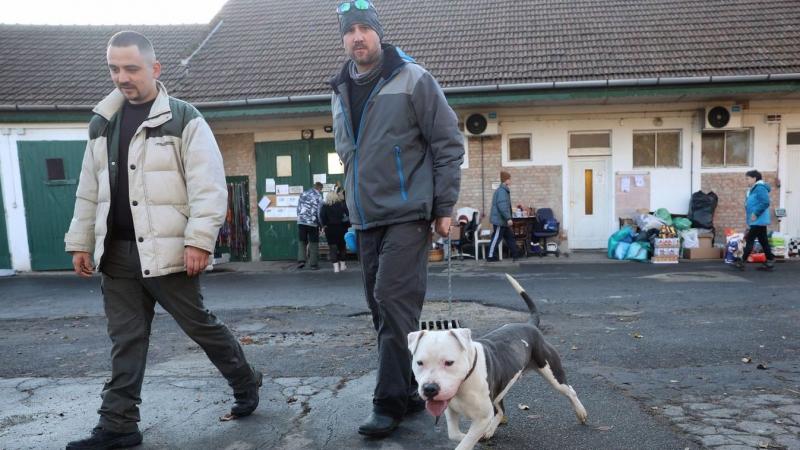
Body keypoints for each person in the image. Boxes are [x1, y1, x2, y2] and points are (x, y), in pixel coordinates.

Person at [63, 31, 262, 450]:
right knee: (126, 340)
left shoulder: (184, 119)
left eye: (131, 68)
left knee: (200, 327)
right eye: (114, 69)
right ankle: (118, 423)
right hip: (115, 254)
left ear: (155, 69)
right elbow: (89, 190)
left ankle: (245, 380)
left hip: (169, 252)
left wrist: (200, 241)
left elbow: (208, 187)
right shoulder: (102, 122)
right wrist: (80, 240)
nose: (122, 77)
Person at [330, 0, 464, 438]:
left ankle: (387, 404)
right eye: (350, 30)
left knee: (391, 300)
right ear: (343, 37)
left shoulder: (413, 79)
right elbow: (349, 158)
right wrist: (350, 207)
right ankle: (409, 391)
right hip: (366, 219)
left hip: (408, 213)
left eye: (365, 28)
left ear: (378, 33)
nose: (358, 37)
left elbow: (447, 142)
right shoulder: (339, 88)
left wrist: (444, 206)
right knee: (382, 309)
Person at [736, 170, 776, 270]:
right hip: (757, 220)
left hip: (758, 219)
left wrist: (755, 213)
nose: (746, 181)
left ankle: (742, 261)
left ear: (754, 178)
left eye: (748, 178)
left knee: (750, 239)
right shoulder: (753, 189)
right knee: (763, 241)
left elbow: (765, 202)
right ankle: (770, 260)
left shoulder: (760, 188)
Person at [487, 171, 519, 261]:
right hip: (500, 221)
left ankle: (515, 255)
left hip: (502, 220)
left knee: (510, 237)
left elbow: (504, 205)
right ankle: (490, 256)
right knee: (496, 238)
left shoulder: (503, 190)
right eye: (509, 179)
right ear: (506, 180)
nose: (511, 181)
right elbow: (502, 206)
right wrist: (508, 218)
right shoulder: (502, 191)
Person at [319, 188, 350, 272]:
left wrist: (323, 226)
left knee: (332, 248)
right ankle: (343, 265)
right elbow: (348, 215)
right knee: (342, 247)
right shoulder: (342, 205)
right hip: (342, 228)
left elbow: (322, 218)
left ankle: (336, 267)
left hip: (330, 229)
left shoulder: (324, 207)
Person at [296, 182, 324, 270]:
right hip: (312, 223)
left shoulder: (303, 193)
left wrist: (300, 218)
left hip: (301, 222)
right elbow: (319, 212)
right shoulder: (319, 196)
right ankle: (313, 264)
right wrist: (321, 224)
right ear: (320, 188)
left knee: (302, 241)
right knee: (313, 243)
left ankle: (301, 260)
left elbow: (298, 208)